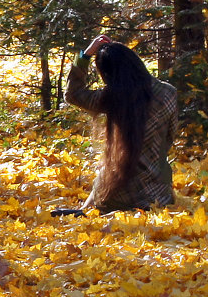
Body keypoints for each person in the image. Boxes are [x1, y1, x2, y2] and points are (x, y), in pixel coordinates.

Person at [53, 34, 177, 215]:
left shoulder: (112, 98)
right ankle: (85, 210)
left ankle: (86, 211)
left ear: (109, 74)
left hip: (117, 196)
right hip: (159, 195)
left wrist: (85, 56)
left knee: (108, 169)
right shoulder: (169, 92)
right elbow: (170, 137)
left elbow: (72, 94)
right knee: (119, 167)